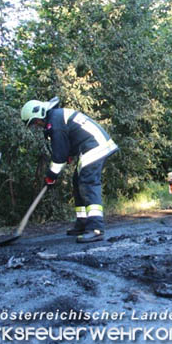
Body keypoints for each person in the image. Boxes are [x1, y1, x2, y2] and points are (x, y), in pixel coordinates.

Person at [21, 98, 119, 243]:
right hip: (91, 146)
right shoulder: (56, 117)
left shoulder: (55, 123)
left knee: (88, 183)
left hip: (95, 146)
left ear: (40, 114)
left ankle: (96, 228)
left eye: (35, 122)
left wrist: (51, 176)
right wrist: (68, 155)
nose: (37, 126)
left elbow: (59, 156)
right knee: (77, 181)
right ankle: (83, 223)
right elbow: (71, 140)